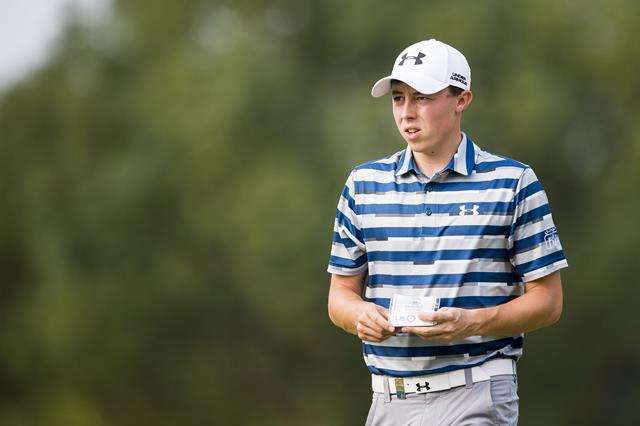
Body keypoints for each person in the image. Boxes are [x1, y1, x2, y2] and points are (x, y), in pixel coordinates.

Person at [326, 39, 568, 426]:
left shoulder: (513, 182)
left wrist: (473, 321)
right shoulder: (363, 184)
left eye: (422, 97)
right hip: (388, 399)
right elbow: (340, 295)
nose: (407, 113)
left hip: (476, 391)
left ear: (461, 99)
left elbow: (548, 301)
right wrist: (360, 315)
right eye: (399, 98)